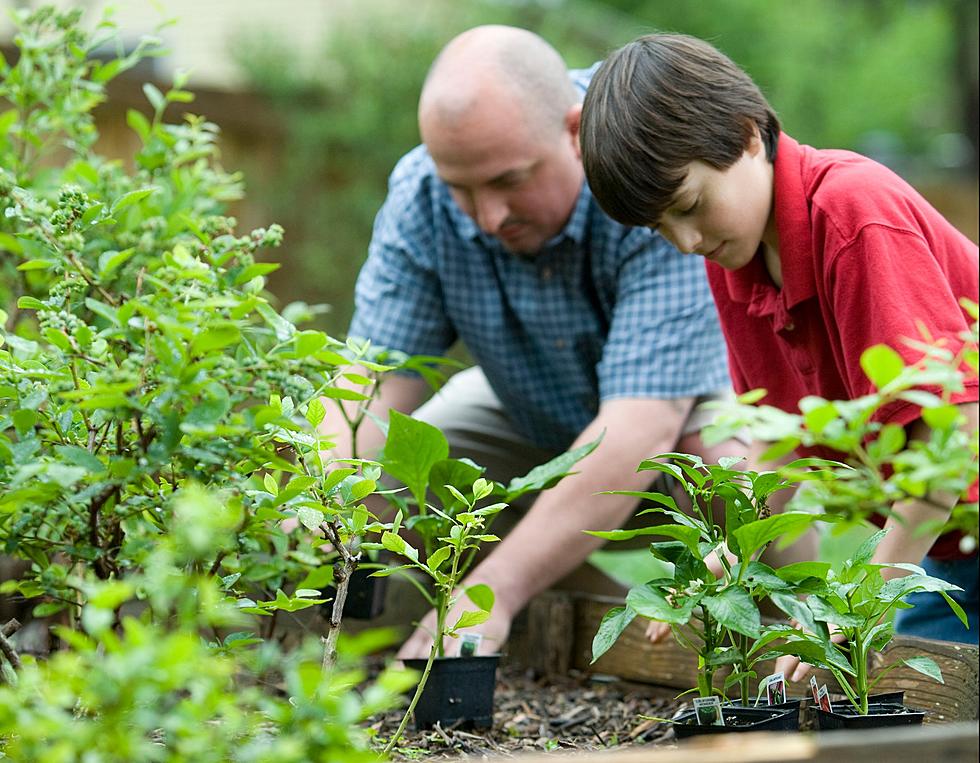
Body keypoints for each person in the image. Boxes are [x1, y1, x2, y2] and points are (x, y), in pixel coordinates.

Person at [322, 26, 743, 660]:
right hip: (529, 415)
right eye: (462, 189)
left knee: (739, 473)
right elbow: (368, 388)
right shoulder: (422, 195)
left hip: (680, 418)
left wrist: (491, 590)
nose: (488, 216)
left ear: (574, 131)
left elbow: (641, 430)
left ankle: (770, 643)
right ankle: (597, 630)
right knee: (403, 466)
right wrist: (322, 499)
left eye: (509, 181)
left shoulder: (643, 164)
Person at [578, 33, 979, 657]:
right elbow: (778, 437)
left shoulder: (852, 213)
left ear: (747, 135)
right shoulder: (733, 259)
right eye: (660, 228)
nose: (684, 242)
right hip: (952, 544)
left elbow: (955, 431)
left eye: (689, 205)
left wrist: (859, 608)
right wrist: (716, 565)